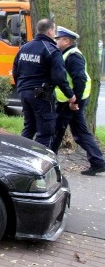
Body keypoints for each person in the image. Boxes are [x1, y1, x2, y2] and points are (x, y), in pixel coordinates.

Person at [12, 19, 76, 149]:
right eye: (54, 30)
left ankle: (18, 157)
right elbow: (59, 77)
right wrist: (70, 95)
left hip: (24, 93)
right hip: (41, 95)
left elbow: (15, 70)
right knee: (46, 132)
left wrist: (22, 87)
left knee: (29, 128)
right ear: (50, 31)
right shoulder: (51, 50)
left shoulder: (25, 47)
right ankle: (40, 165)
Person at [50, 26, 105, 175]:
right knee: (80, 133)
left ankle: (48, 164)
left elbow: (79, 79)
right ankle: (98, 161)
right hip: (70, 101)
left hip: (69, 102)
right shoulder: (67, 53)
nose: (56, 41)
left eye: (59, 39)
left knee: (56, 132)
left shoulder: (73, 56)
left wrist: (75, 101)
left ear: (66, 41)